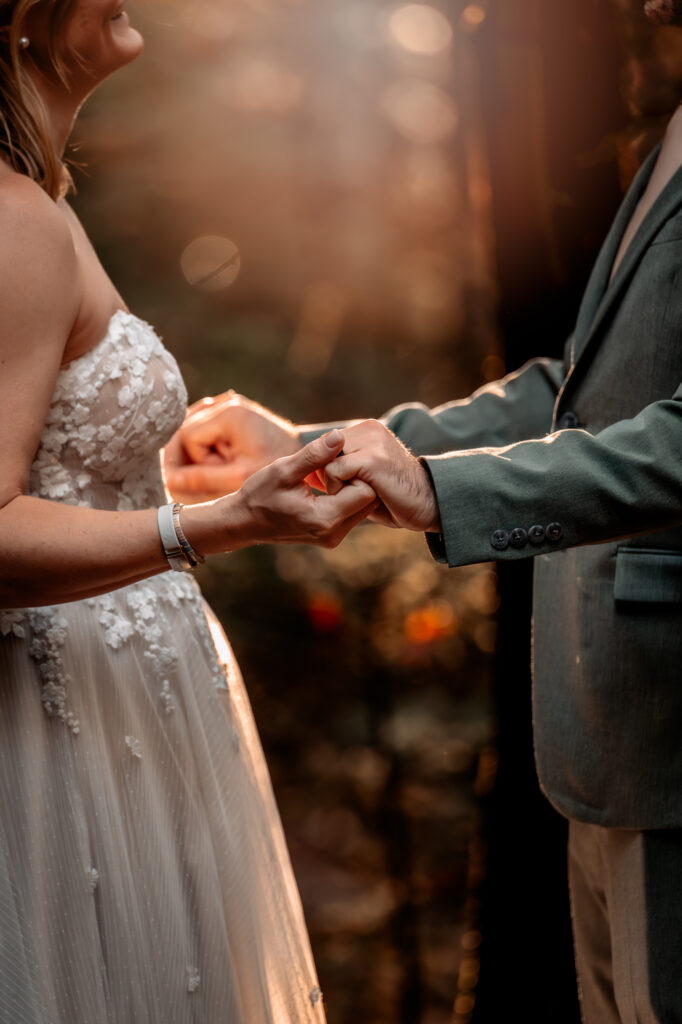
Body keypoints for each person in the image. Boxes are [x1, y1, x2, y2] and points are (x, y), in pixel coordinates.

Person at [164, 3, 682, 1021]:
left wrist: (445, 494)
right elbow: (578, 389)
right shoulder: (669, 124)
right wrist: (314, 440)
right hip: (605, 737)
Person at [0, 2, 380, 1022]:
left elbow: (39, 460)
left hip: (125, 705)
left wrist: (157, 470)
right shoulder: (13, 220)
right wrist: (211, 526)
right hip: (69, 718)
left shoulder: (36, 204)